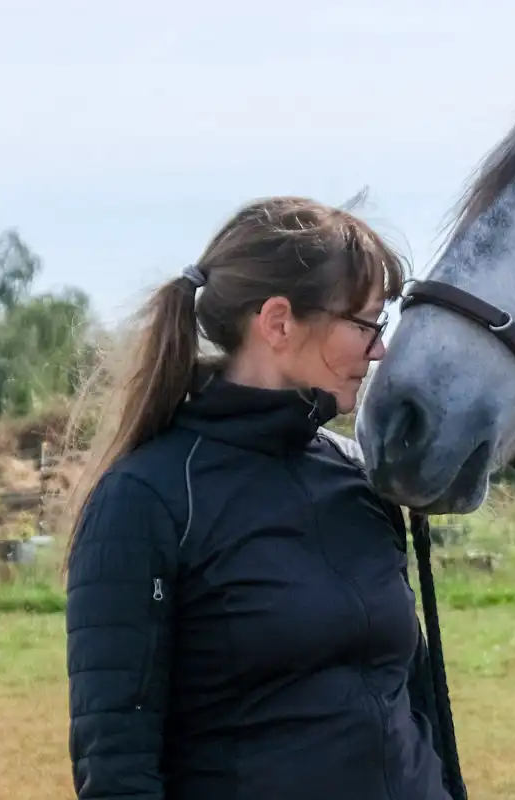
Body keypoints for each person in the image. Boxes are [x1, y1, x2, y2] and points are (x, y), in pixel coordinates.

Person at [62, 196, 459, 800]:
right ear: (278, 322)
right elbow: (116, 770)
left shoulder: (360, 478)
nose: (379, 350)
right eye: (365, 324)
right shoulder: (146, 499)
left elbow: (417, 702)